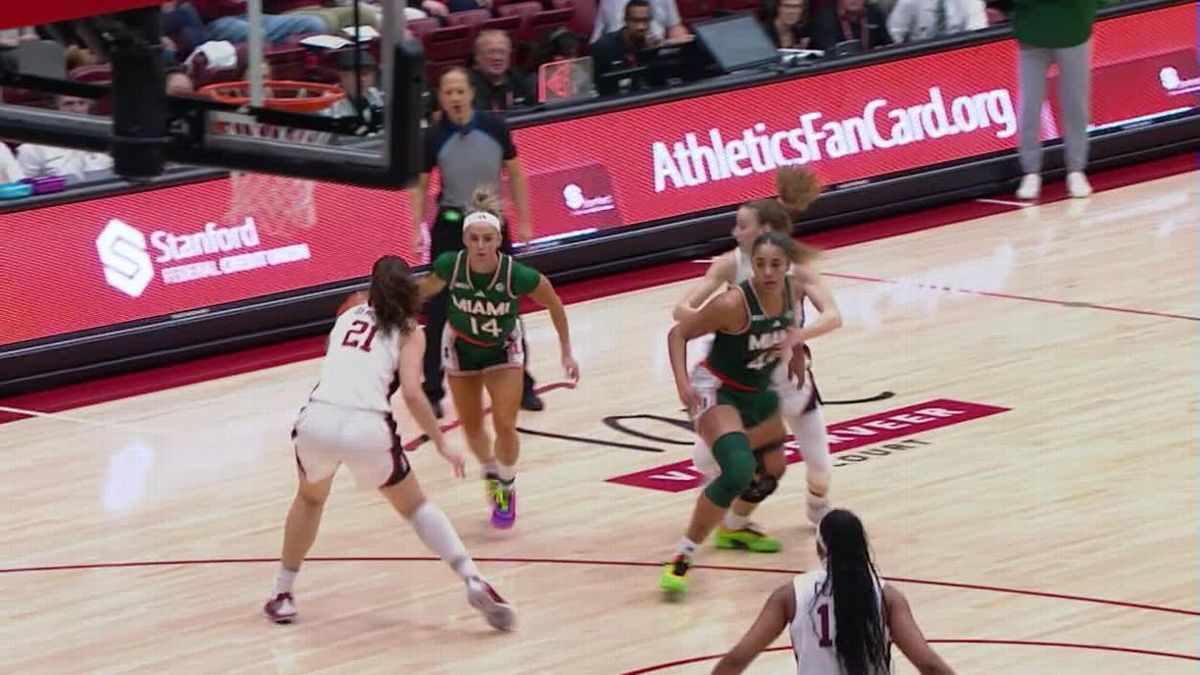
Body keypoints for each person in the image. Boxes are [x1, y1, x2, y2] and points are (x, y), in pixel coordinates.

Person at [262, 255, 516, 632]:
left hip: (318, 420)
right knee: (415, 506)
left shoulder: (347, 313)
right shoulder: (412, 331)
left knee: (310, 499)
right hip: (367, 427)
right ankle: (471, 578)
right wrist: (442, 443)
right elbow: (413, 394)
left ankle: (283, 594)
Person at [675, 172, 842, 554]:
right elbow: (682, 309)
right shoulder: (728, 265)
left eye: (742, 225)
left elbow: (832, 315)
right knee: (710, 460)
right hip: (742, 384)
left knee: (820, 468)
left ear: (764, 230)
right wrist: (713, 318)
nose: (735, 232)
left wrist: (799, 336)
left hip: (788, 380)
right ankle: (730, 522)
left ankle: (816, 510)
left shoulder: (795, 269)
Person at [661, 231, 816, 595]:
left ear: (787, 266)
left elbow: (790, 329)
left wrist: (795, 354)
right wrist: (682, 384)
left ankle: (734, 527)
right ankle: (683, 555)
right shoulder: (733, 303)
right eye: (760, 264)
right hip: (716, 387)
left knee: (773, 470)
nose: (767, 271)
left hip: (758, 391)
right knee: (739, 469)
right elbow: (677, 334)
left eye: (775, 264)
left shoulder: (794, 292)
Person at [418, 188, 580, 530]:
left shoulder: (517, 274)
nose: (480, 245)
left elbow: (554, 303)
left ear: (498, 239)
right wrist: (391, 307)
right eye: (474, 238)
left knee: (505, 423)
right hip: (461, 349)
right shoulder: (450, 265)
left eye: (487, 238)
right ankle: (491, 469)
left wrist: (566, 351)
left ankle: (505, 484)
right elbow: (421, 293)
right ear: (465, 239)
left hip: (502, 349)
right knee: (474, 428)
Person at [410, 67, 541, 417]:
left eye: (459, 91)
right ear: (441, 97)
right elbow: (420, 185)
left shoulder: (495, 128)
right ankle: (433, 390)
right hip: (452, 227)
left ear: (471, 93)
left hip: (492, 225)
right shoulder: (433, 137)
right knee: (438, 309)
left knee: (505, 304)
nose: (454, 98)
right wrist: (415, 227)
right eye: (447, 92)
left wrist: (524, 220)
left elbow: (515, 172)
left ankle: (523, 384)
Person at [712, 509, 956, 675]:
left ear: (820, 548)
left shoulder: (789, 595)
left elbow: (736, 659)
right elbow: (929, 665)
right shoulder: (888, 597)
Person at [1008, 0, 1102, 200]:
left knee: (1075, 104)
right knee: (1029, 105)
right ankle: (1031, 172)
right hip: (1032, 32)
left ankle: (1076, 170)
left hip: (1073, 29)